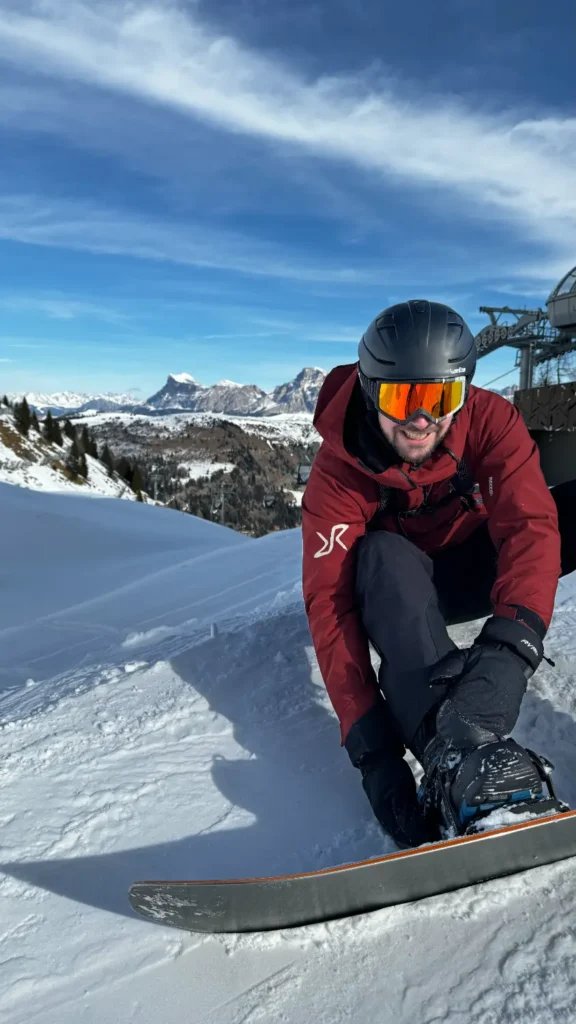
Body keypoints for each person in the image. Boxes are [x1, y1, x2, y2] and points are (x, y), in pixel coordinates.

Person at [302, 299, 576, 848]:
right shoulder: (340, 471)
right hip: (406, 585)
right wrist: (374, 750)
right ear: (369, 390)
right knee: (381, 554)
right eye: (403, 398)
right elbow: (330, 606)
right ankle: (458, 758)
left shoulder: (491, 420)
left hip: (481, 560)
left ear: (464, 392)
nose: (420, 419)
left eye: (438, 397)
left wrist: (510, 646)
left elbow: (529, 526)